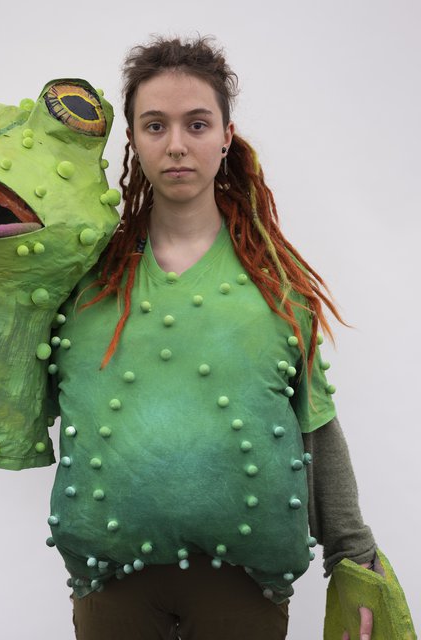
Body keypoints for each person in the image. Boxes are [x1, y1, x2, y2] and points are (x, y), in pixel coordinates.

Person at [48, 36, 377, 639]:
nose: (176, 144)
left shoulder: (277, 285)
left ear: (226, 136)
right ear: (133, 139)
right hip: (110, 583)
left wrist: (355, 559)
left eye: (196, 124)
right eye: (155, 125)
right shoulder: (83, 276)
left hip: (243, 588)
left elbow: (315, 426)